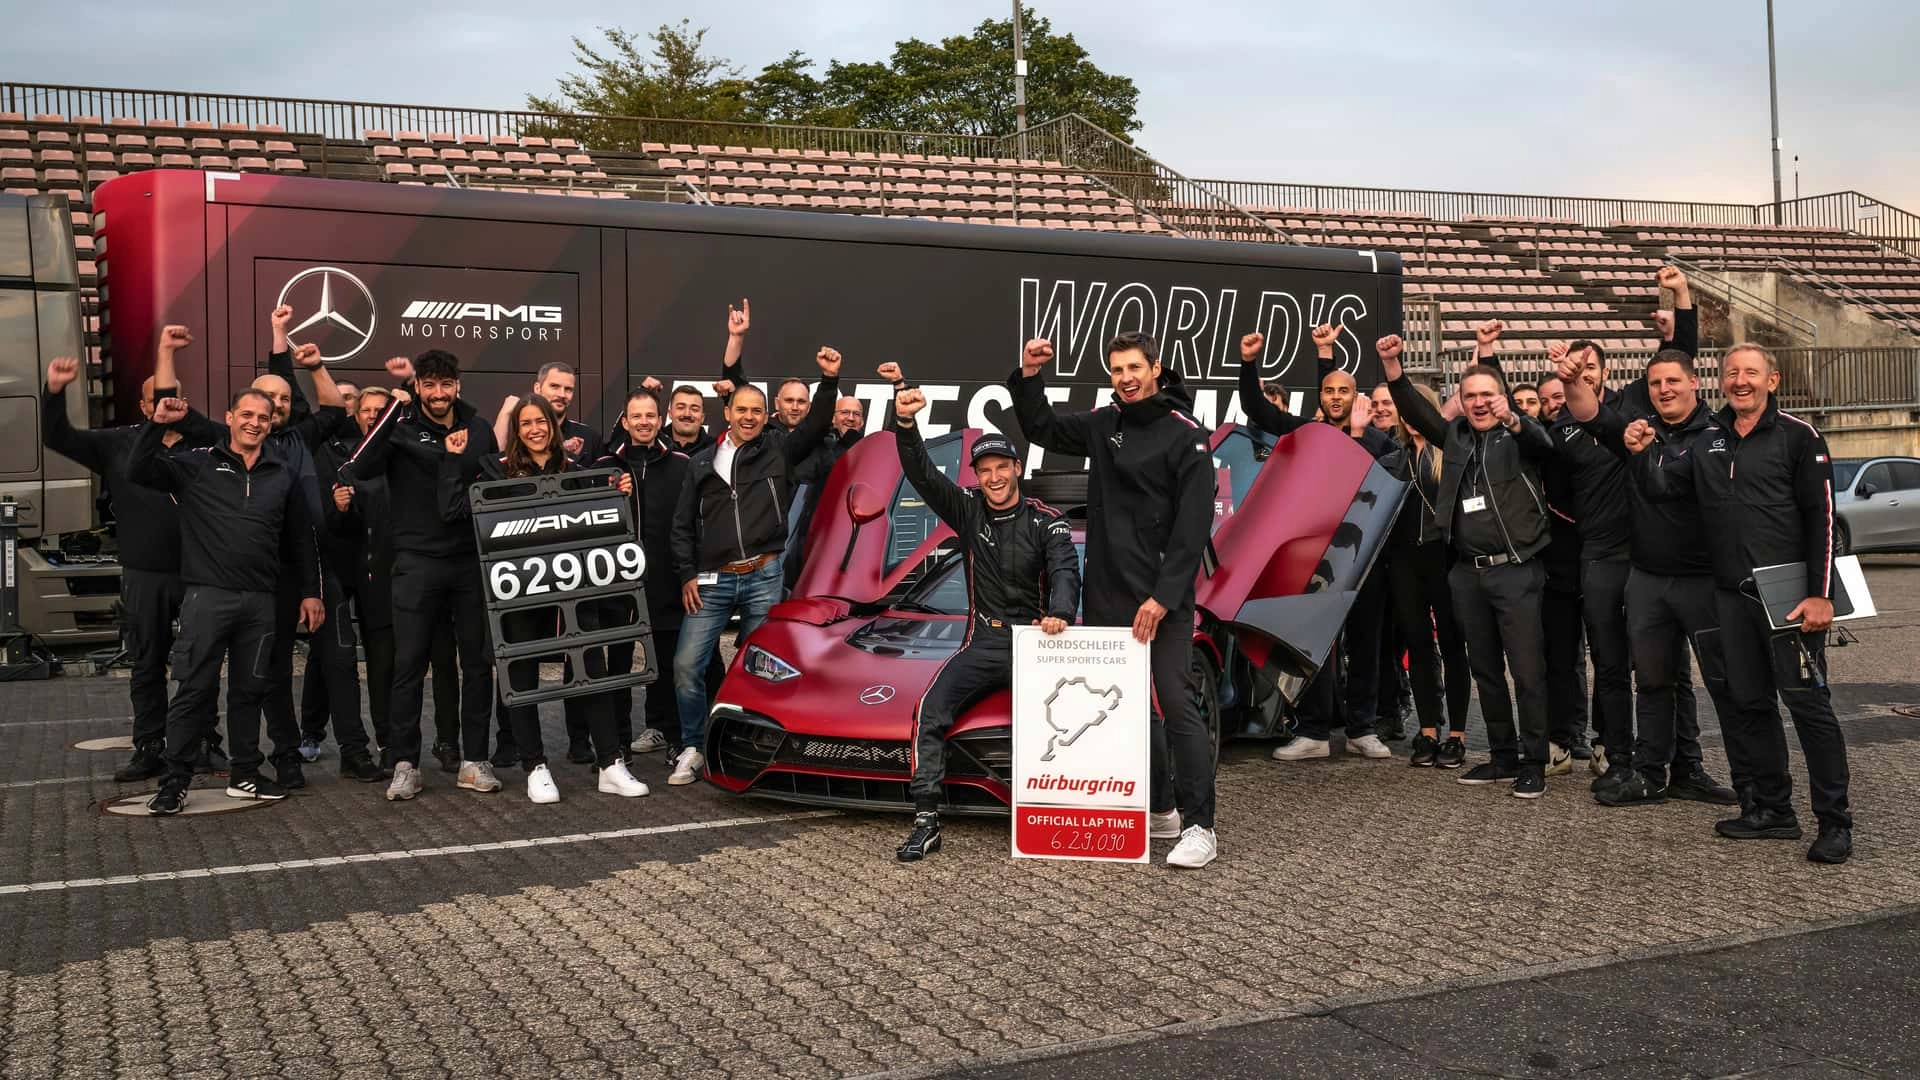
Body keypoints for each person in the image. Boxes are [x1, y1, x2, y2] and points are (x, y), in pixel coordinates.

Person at [1625, 343, 1851, 863]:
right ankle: (1772, 811)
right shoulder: (1708, 440)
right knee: (1749, 705)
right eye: (1732, 373)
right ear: (1720, 381)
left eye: (1751, 373)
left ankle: (1834, 822)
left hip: (1791, 597)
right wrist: (1640, 454)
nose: (1740, 381)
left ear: (1773, 380)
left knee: (1808, 706)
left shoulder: (1800, 436)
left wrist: (1821, 594)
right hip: (1730, 597)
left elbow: (1824, 518)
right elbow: (1662, 490)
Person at [1009, 332, 1219, 868]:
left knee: (1176, 704)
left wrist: (1163, 598)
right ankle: (1162, 809)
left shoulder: (1187, 436)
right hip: (1106, 593)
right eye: (1116, 369)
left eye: (1133, 367)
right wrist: (1031, 376)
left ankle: (1200, 827)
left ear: (1155, 368)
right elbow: (1043, 427)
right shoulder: (1105, 424)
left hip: (1162, 600)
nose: (1125, 377)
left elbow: (1192, 529)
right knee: (1126, 712)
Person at [882, 363, 1080, 861]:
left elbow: (1064, 571)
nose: (993, 477)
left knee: (1067, 723)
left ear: (1017, 469)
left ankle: (1068, 815)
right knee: (929, 710)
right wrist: (906, 425)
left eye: (1001, 467)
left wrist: (1059, 613)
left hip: (1041, 644)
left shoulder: (1046, 521)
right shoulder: (968, 511)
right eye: (984, 470)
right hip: (985, 643)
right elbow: (922, 475)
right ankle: (926, 820)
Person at [156, 310, 351, 790]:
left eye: (282, 403)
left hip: (283, 578)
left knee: (265, 676)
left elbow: (332, 413)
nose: (272, 411)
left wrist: (314, 365)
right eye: (262, 404)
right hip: (230, 582)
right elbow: (167, 407)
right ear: (236, 414)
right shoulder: (220, 445)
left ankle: (280, 761)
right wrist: (166, 354)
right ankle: (194, 774)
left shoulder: (295, 438)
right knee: (226, 682)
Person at [444, 395, 649, 803]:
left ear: (554, 427)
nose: (536, 429)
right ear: (516, 432)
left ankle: (610, 763)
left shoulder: (578, 471)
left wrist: (620, 491)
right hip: (518, 595)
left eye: (541, 422)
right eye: (526, 424)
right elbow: (454, 511)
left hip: (574, 597)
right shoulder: (494, 471)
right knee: (520, 680)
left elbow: (604, 522)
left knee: (593, 675)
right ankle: (535, 766)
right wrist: (453, 463)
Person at [1383, 333, 1556, 798]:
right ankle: (1501, 756)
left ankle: (1534, 761)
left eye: (1487, 395)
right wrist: (1393, 366)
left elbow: (1544, 445)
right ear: (1459, 400)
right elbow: (1416, 411)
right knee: (1484, 669)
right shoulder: (1455, 437)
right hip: (1467, 572)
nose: (1479, 403)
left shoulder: (1517, 436)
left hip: (1517, 569)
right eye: (1470, 395)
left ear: (1499, 397)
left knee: (1526, 670)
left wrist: (1515, 421)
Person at [134, 389, 323, 813]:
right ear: (230, 416)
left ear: (272, 423)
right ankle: (174, 781)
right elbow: (139, 469)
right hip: (207, 597)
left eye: (264, 417)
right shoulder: (197, 464)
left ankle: (244, 774)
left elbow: (299, 539)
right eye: (247, 414)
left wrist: (311, 591)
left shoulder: (281, 473)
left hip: (260, 602)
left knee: (249, 691)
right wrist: (158, 423)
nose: (255, 422)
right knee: (193, 690)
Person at [40, 348, 223, 782]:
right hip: (144, 573)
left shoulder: (210, 442)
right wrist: (53, 391)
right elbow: (58, 436)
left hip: (201, 571)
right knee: (146, 663)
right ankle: (150, 747)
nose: (166, 401)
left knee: (202, 663)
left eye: (174, 395)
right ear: (143, 406)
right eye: (156, 397)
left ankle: (202, 741)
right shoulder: (117, 444)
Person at [668, 345, 841, 785]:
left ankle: (749, 747)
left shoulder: (779, 451)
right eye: (741, 409)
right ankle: (692, 745)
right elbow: (682, 525)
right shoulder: (702, 461)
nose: (749, 417)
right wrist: (687, 573)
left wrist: (829, 381)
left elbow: (819, 422)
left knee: (757, 666)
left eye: (757, 411)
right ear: (728, 412)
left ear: (767, 416)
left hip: (765, 574)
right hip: (712, 580)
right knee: (688, 665)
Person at [1477, 322, 1636, 791]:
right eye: (1572, 372)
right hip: (1561, 563)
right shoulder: (1554, 433)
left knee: (1611, 659)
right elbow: (1507, 413)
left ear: (1605, 373)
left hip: (1612, 560)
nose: (1579, 376)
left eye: (1588, 369)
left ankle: (1610, 744)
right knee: (1559, 658)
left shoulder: (1625, 422)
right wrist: (1487, 354)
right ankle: (1560, 742)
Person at [341, 350, 501, 801]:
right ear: (417, 387)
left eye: (445, 384)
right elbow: (358, 465)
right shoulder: (400, 427)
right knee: (407, 664)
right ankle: (405, 763)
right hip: (415, 561)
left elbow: (493, 488)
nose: (437, 393)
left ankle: (473, 760)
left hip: (469, 562)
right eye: (428, 384)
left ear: (458, 386)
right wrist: (393, 409)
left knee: (476, 664)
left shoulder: (479, 428)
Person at [1242, 325, 1397, 763]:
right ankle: (1311, 730)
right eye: (1327, 389)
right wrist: (1248, 362)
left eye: (1342, 391)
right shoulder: (1307, 431)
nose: (1334, 397)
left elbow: (1372, 483)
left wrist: (1356, 435)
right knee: (1314, 646)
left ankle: (1362, 728)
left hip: (1365, 563)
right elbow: (1258, 409)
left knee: (1366, 644)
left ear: (1355, 397)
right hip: (1317, 562)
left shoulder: (1378, 441)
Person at [597, 387, 714, 756]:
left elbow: (693, 526)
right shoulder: (604, 468)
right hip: (618, 589)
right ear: (626, 421)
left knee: (667, 665)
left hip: (666, 583)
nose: (644, 422)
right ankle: (616, 746)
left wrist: (688, 575)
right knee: (617, 666)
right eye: (637, 416)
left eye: (650, 415)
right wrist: (611, 493)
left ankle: (675, 738)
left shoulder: (681, 464)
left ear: (659, 419)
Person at [297, 380, 383, 783]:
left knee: (380, 656)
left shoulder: (387, 451)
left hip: (375, 567)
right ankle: (312, 734)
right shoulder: (324, 449)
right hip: (332, 563)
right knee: (328, 655)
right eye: (358, 406)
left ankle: (384, 741)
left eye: (374, 409)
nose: (364, 413)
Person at [1384, 381, 1474, 769]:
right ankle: (1427, 731)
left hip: (1446, 558)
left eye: (1421, 408)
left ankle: (1457, 735)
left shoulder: (1450, 452)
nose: (1413, 417)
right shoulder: (1394, 455)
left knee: (1454, 647)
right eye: (1408, 409)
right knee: (1419, 647)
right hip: (1405, 562)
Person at [494, 361, 605, 467]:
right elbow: (496, 465)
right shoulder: (516, 431)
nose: (562, 394)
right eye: (554, 386)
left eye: (568, 389)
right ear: (537, 388)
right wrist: (504, 415)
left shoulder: (590, 438)